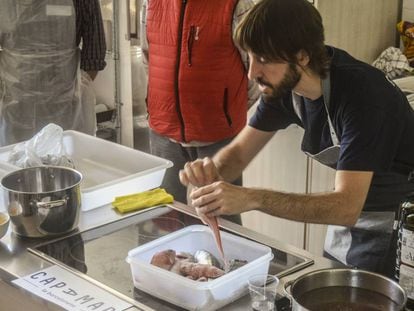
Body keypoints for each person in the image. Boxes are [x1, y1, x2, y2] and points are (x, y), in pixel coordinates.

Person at [179, 0, 414, 278]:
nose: (252, 72)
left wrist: (252, 198)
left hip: (398, 222)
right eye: (250, 56)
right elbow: (238, 155)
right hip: (350, 218)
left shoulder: (362, 95)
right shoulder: (282, 87)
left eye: (264, 59)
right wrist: (210, 175)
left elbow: (346, 206)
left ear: (302, 56)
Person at [140, 0, 260, 218]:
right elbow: (148, 55)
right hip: (163, 132)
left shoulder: (237, 4)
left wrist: (230, 110)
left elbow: (255, 66)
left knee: (220, 220)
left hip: (218, 135)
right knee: (166, 217)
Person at [0, 0, 106, 146]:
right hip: (18, 105)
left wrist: (78, 87)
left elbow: (94, 54)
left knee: (21, 162)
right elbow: (95, 54)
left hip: (62, 103)